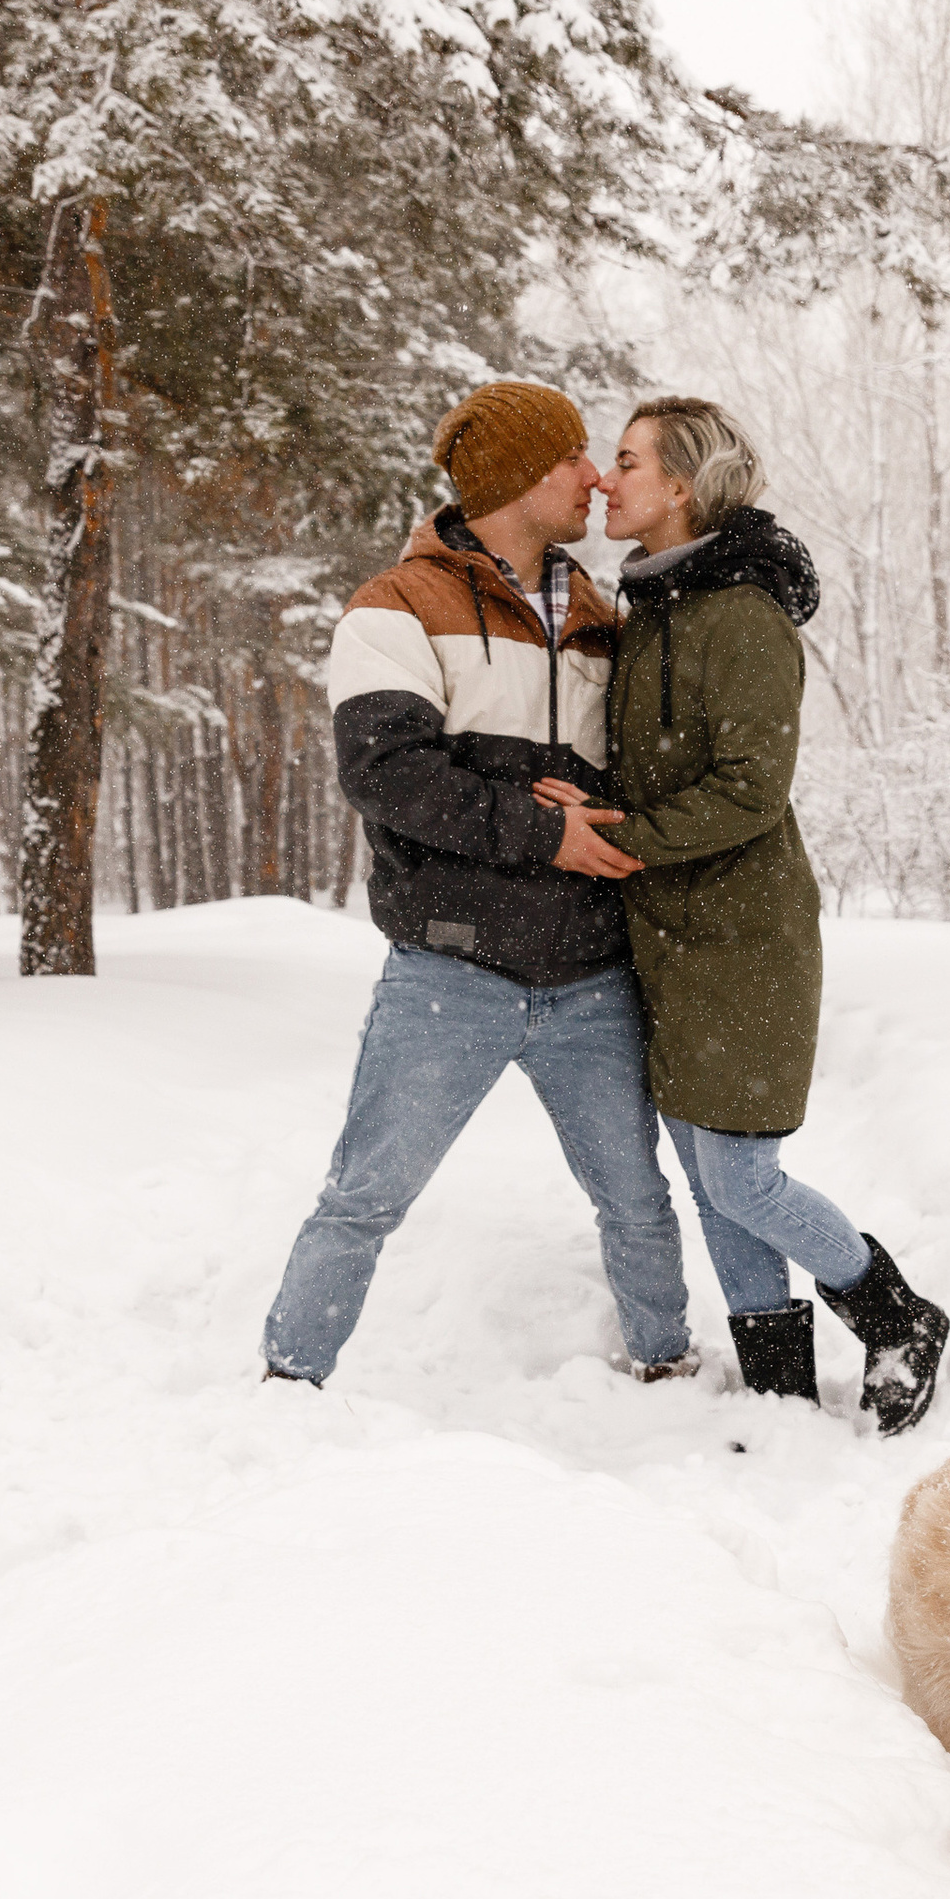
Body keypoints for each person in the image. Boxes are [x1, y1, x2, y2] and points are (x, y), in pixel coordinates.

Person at [259, 380, 693, 1389]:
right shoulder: (396, 608)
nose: (593, 478)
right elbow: (387, 774)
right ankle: (289, 1381)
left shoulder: (595, 614)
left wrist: (573, 800)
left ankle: (666, 1368)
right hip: (450, 970)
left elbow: (619, 773)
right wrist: (538, 824)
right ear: (510, 479)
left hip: (590, 975)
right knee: (365, 1194)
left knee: (636, 1197)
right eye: (570, 460)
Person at [536, 396, 949, 1434]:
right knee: (704, 1166)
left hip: (745, 940)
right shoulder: (650, 612)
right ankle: (776, 1385)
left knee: (739, 1172)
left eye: (626, 461)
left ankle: (899, 1318)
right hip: (662, 937)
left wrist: (615, 833)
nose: (605, 478)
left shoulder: (743, 619)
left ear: (681, 486)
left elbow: (749, 791)